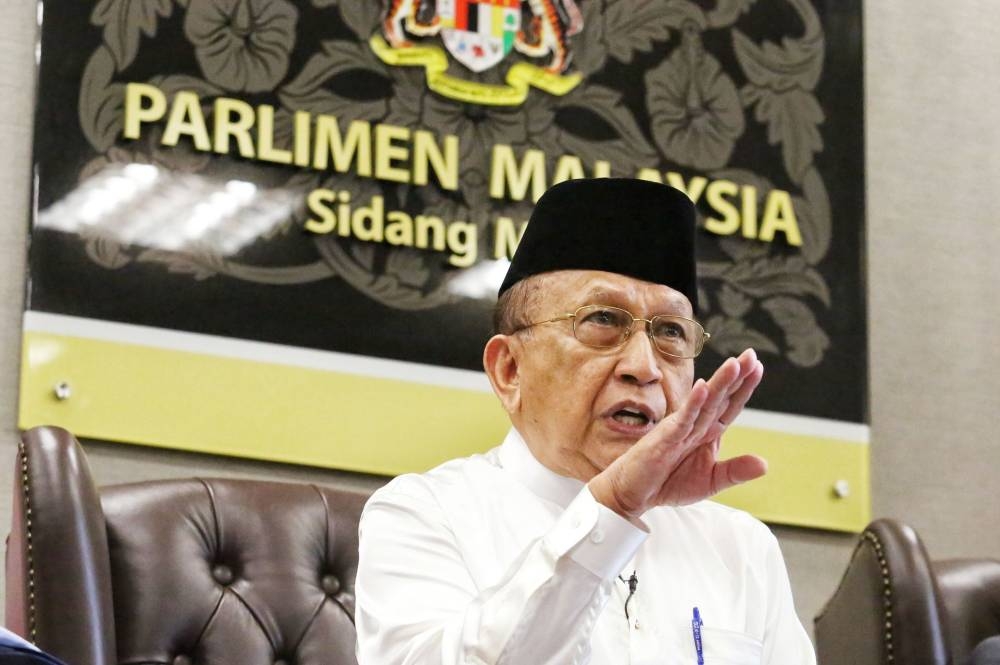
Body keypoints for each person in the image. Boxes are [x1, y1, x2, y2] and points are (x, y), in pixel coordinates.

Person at [355, 178, 816, 664]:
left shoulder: (740, 547)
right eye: (602, 322)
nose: (644, 367)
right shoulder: (425, 514)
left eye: (671, 333)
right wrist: (611, 509)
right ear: (510, 370)